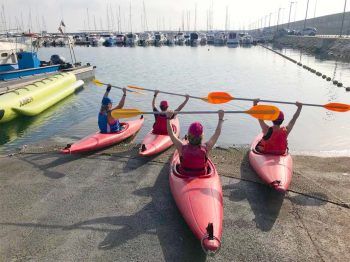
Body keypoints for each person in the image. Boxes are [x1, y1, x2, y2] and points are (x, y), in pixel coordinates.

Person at [166, 110, 225, 176]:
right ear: (202, 135)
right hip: (201, 175)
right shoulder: (206, 147)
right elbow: (217, 133)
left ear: (188, 134)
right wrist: (220, 118)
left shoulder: (181, 147)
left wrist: (168, 118)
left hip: (184, 175)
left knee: (178, 163)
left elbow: (171, 133)